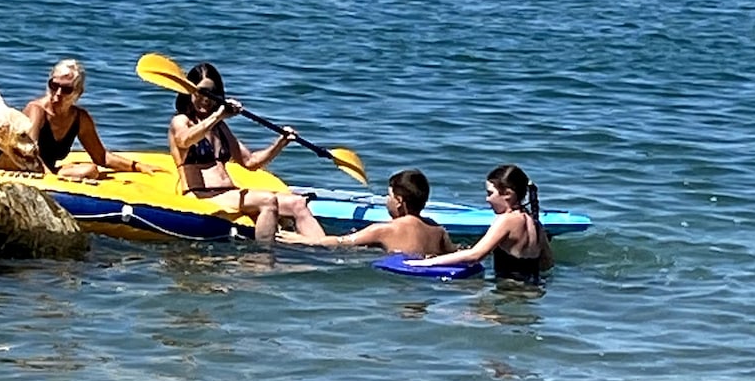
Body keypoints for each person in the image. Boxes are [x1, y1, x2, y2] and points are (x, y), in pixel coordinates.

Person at [168, 61, 324, 243]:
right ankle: (265, 257)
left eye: (212, 94)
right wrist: (218, 115)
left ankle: (326, 249)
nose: (206, 99)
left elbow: (250, 162)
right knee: (267, 200)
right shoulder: (181, 121)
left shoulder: (220, 128)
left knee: (297, 203)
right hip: (201, 194)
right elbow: (185, 140)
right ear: (189, 92)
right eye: (201, 92)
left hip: (229, 193)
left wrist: (280, 143)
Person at [0, 58, 149, 179]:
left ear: (78, 93)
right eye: (54, 85)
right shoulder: (37, 110)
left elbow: (101, 157)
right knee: (20, 154)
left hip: (43, 170)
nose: (57, 94)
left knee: (90, 171)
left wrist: (137, 166)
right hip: (13, 163)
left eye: (66, 89)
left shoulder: (80, 118)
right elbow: (26, 152)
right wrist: (50, 179)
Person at [409, 163, 554, 282]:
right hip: (532, 290)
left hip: (510, 292)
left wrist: (426, 263)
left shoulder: (507, 220)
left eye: (490, 193)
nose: (487, 199)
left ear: (508, 194)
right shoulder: (535, 222)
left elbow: (475, 255)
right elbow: (547, 263)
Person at [278, 169, 457, 257]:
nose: (387, 200)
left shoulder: (384, 230)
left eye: (389, 196)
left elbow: (341, 242)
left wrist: (304, 240)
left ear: (399, 201)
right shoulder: (437, 230)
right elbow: (455, 253)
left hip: (399, 279)